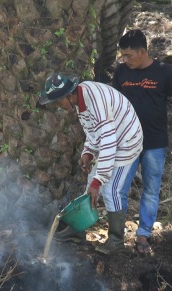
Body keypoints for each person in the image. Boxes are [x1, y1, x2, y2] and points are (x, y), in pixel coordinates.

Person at [38, 72, 143, 254]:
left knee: (111, 190)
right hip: (111, 142)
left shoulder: (96, 101)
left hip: (126, 143)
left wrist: (98, 180)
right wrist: (88, 152)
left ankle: (116, 241)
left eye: (58, 102)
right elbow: (94, 132)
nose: (59, 107)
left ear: (69, 95)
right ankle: (78, 231)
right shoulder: (80, 100)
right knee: (90, 187)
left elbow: (109, 142)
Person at [112, 29, 172, 256]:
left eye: (128, 55)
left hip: (154, 143)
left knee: (151, 190)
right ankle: (116, 235)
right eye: (122, 55)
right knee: (118, 189)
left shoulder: (164, 72)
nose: (124, 60)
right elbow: (112, 104)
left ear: (142, 51)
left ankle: (143, 234)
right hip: (125, 143)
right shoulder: (121, 72)